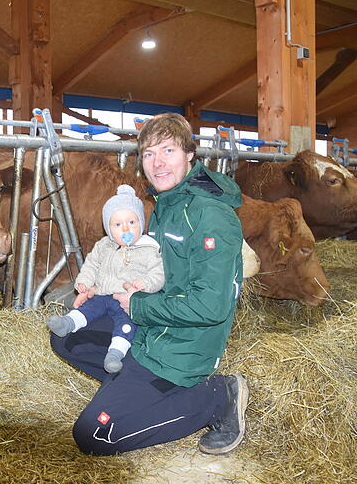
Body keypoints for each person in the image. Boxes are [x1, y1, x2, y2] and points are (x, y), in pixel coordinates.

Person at [50, 112, 248, 456]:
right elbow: (148, 269)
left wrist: (138, 305)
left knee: (94, 435)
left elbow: (211, 307)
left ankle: (216, 396)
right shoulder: (166, 205)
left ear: (189, 155)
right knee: (66, 337)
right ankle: (134, 390)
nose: (158, 163)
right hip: (152, 331)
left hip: (180, 351)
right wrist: (102, 289)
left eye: (168, 151)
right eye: (149, 154)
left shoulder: (210, 216)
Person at [46, 184, 164, 374]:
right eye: (118, 225)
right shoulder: (104, 246)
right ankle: (67, 323)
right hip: (102, 294)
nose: (126, 228)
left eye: (132, 223)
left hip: (127, 301)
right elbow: (91, 265)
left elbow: (159, 273)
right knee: (87, 310)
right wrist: (84, 283)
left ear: (141, 224)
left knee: (126, 326)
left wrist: (147, 284)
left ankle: (115, 355)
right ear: (108, 229)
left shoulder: (149, 249)